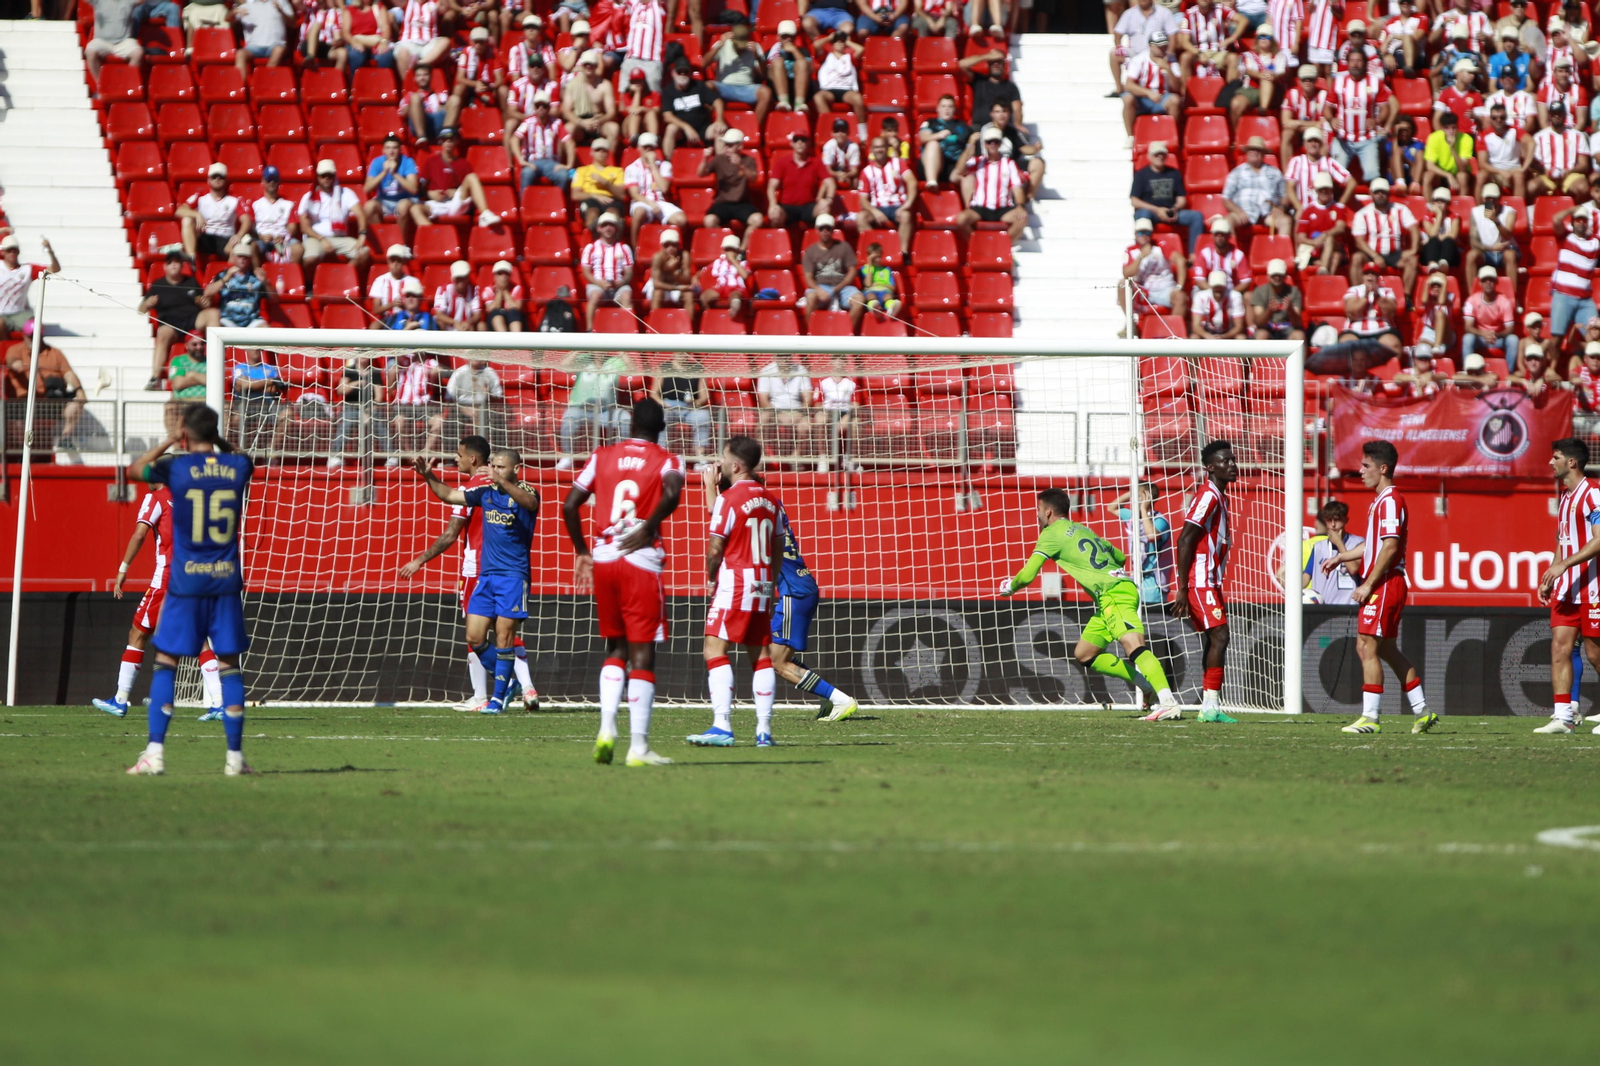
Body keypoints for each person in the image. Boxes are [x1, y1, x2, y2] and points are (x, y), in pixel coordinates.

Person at [123, 404, 256, 776]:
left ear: (185, 431)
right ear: (214, 432)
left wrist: (170, 439)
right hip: (225, 579)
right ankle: (234, 759)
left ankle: (155, 754)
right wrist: (217, 439)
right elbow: (244, 457)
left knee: (166, 661)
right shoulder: (236, 468)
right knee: (229, 666)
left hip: (185, 582)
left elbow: (133, 469)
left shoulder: (177, 468)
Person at [561, 397, 684, 766]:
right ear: (661, 430)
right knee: (643, 651)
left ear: (629, 424)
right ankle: (639, 748)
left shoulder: (602, 455)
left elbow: (569, 506)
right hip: (640, 560)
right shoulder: (666, 460)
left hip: (604, 557)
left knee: (615, 647)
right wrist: (648, 526)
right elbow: (673, 493)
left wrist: (582, 550)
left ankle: (606, 728)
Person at [1000, 488, 1184, 716]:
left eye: (1038, 510)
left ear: (1048, 512)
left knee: (1134, 646)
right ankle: (1145, 686)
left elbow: (1027, 576)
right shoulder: (1082, 529)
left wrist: (1010, 587)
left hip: (1114, 594)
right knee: (1085, 654)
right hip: (1111, 594)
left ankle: (1168, 702)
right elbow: (1120, 556)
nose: (1037, 515)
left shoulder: (1050, 534)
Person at [398, 436, 537, 711]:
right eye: (494, 465)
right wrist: (429, 476)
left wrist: (419, 560)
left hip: (501, 572)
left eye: (459, 454)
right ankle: (515, 685)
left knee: (502, 634)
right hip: (485, 574)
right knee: (477, 636)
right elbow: (448, 494)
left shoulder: (514, 489)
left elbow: (452, 533)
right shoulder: (482, 492)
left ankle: (492, 695)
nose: (455, 458)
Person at [1321, 440, 1437, 735]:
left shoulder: (1389, 500)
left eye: (1366, 466)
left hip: (1384, 583)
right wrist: (1341, 556)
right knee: (1385, 648)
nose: (1360, 471)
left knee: (1365, 644)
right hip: (1389, 583)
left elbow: (1390, 546)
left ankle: (1370, 717)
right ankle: (1422, 710)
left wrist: (1368, 584)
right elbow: (1373, 546)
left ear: (1383, 468)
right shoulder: (1383, 500)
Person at [682, 436, 784, 748]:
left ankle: (722, 725)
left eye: (724, 459)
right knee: (761, 655)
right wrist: (772, 586)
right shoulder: (772, 501)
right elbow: (778, 548)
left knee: (714, 649)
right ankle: (764, 731)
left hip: (735, 583)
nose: (720, 464)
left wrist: (712, 576)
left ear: (736, 465)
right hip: (763, 583)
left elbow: (715, 548)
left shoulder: (730, 499)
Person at [91, 484, 224, 720]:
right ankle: (219, 703)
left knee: (138, 633)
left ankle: (120, 700)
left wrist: (123, 568)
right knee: (199, 640)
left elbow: (140, 533)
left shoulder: (156, 498)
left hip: (167, 579)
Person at [1167, 439, 1240, 723]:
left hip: (1210, 580)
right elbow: (1185, 539)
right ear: (1210, 468)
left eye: (1233, 460)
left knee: (1215, 638)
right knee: (1220, 636)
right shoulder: (1208, 496)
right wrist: (1182, 587)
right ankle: (1210, 705)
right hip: (1200, 581)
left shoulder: (1221, 496)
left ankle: (1210, 705)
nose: (1232, 465)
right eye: (1225, 461)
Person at [1536, 438, 1600, 733]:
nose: (1551, 462)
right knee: (1560, 647)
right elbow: (1563, 542)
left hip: (1593, 586)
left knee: (1594, 654)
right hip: (1568, 587)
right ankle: (1563, 717)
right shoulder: (1564, 496)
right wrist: (1552, 572)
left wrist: (1565, 565)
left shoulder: (1593, 494)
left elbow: (1599, 538)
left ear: (1571, 462)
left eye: (1556, 457)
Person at [138, 251, 205, 390]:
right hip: (171, 324)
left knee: (213, 314)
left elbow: (205, 303)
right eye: (170, 262)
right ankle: (155, 378)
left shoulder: (191, 281)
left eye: (176, 262)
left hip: (193, 320)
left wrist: (204, 303)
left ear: (182, 265)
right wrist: (148, 303)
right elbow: (141, 309)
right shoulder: (158, 285)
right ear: (165, 267)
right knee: (162, 334)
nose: (173, 265)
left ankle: (220, 356)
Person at [1327, 49, 1394, 183]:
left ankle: (1373, 203)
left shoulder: (1375, 82)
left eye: (1358, 61)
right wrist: (1331, 119)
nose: (1355, 64)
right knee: (1333, 177)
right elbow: (1327, 107)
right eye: (1352, 61)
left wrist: (1377, 120)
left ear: (1365, 63)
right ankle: (1336, 203)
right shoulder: (1339, 82)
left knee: (1373, 176)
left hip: (1367, 138)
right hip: (1343, 138)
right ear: (1347, 63)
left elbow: (1385, 108)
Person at [4, 338, 86, 448]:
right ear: (24, 335)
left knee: (75, 405)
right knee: (23, 420)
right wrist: (15, 363)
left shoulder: (54, 353)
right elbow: (10, 360)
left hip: (51, 401)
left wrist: (79, 389)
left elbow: (68, 373)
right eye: (29, 336)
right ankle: (27, 448)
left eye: (35, 336)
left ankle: (65, 438)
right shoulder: (16, 350)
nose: (32, 339)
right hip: (25, 402)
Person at [297, 159, 371, 278]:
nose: (326, 178)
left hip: (339, 237)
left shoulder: (345, 193)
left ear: (334, 176)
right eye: (323, 175)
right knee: (310, 259)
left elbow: (360, 214)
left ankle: (342, 279)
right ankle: (311, 286)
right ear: (318, 177)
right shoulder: (308, 197)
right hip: (315, 237)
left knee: (364, 253)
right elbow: (304, 227)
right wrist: (321, 239)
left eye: (329, 175)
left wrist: (362, 234)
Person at [957, 126, 1028, 243]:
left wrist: (1020, 206)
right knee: (961, 220)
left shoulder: (1009, 163)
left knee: (1022, 219)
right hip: (980, 208)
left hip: (1003, 208)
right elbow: (960, 169)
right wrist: (969, 146)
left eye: (996, 141)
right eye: (989, 142)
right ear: (985, 144)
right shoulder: (978, 161)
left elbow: (1017, 188)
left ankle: (1002, 248)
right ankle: (977, 246)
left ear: (1000, 143)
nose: (992, 144)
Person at [1130, 140, 1203, 252]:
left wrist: (1174, 209)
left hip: (1171, 211)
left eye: (1162, 154)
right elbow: (1134, 200)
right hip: (1152, 213)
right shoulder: (1141, 175)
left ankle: (1195, 255)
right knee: (1142, 215)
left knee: (1196, 217)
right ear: (1149, 156)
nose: (1159, 156)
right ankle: (1142, 252)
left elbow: (1181, 199)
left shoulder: (1174, 173)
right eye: (1156, 154)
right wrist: (1157, 210)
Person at [1350, 177, 1418, 295]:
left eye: (1383, 192)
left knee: (1413, 260)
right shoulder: (1362, 214)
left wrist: (1414, 249)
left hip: (1395, 254)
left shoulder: (1401, 209)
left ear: (1388, 193)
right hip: (1371, 253)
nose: (1380, 195)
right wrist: (1375, 256)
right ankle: (1357, 294)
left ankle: (1406, 297)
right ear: (1371, 194)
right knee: (1356, 258)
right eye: (1377, 192)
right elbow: (1359, 241)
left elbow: (1414, 228)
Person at [1106, 486, 1173, 605]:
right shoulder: (1132, 517)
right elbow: (1111, 507)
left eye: (1137, 497)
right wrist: (1132, 491)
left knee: (1152, 619)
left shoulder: (1159, 520)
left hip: (1154, 582)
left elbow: (1151, 536)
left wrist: (1143, 507)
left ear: (1147, 498)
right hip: (1137, 578)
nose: (1133, 500)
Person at [556, 351, 625, 469]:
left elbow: (633, 369)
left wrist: (621, 351)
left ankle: (621, 456)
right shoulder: (583, 359)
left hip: (606, 411)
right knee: (568, 417)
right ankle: (568, 456)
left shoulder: (614, 361)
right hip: (579, 409)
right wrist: (578, 349)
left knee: (624, 419)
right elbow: (563, 365)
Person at [328, 354, 396, 470]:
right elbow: (340, 390)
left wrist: (368, 409)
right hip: (351, 407)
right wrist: (358, 383)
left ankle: (391, 455)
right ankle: (335, 456)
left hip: (370, 408)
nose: (364, 356)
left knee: (378, 422)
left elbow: (379, 397)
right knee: (347, 423)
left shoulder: (374, 372)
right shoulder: (350, 371)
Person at [709, 16, 775, 130]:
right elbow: (703, 63)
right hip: (724, 87)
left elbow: (764, 75)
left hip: (746, 88)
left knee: (766, 92)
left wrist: (758, 58)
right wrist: (719, 45)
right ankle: (710, 125)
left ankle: (753, 130)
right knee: (707, 86)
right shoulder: (723, 44)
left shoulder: (754, 47)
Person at [1222, 135, 1291, 237]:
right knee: (1227, 222)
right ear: (1246, 152)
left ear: (1263, 154)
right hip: (1244, 213)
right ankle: (1234, 252)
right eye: (1251, 149)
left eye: (1258, 150)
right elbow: (1226, 198)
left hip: (1268, 214)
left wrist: (1281, 208)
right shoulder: (1236, 173)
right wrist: (1238, 211)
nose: (1254, 152)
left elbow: (1284, 195)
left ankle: (1282, 252)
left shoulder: (1275, 172)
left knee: (1286, 221)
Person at [178, 163, 246, 265]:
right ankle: (191, 261)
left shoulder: (234, 199)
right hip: (206, 237)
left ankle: (229, 278)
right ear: (208, 180)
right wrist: (196, 214)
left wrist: (239, 235)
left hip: (226, 238)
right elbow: (179, 210)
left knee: (239, 252)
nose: (217, 179)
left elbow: (246, 220)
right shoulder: (201, 196)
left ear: (225, 180)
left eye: (221, 177)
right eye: (214, 177)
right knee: (187, 219)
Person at [623, 132, 685, 244]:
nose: (647, 150)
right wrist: (650, 204)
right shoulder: (631, 168)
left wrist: (652, 165)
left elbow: (664, 188)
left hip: (660, 201)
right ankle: (635, 249)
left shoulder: (665, 165)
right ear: (639, 148)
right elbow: (634, 194)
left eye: (650, 147)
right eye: (644, 147)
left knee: (681, 220)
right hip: (642, 201)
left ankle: (676, 249)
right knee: (639, 213)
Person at [858, 136, 918, 251]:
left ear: (887, 148)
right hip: (877, 207)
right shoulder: (866, 171)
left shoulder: (898, 163)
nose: (879, 150)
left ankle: (902, 253)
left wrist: (907, 204)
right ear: (871, 150)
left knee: (906, 215)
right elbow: (863, 199)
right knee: (861, 217)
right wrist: (874, 211)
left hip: (897, 205)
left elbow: (912, 182)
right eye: (876, 147)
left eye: (882, 147)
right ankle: (876, 251)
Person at [1122, 216, 1186, 323]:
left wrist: (1179, 286)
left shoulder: (1160, 246)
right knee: (1122, 286)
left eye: (1147, 233)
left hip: (1165, 289)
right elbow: (1126, 275)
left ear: (1151, 234)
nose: (1143, 236)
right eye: (1140, 233)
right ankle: (1131, 324)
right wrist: (1140, 257)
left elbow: (1181, 261)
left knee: (1181, 297)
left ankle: (1173, 333)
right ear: (1135, 234)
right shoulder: (1131, 251)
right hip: (1143, 291)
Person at [1119, 31, 1181, 140]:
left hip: (1163, 97)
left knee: (1175, 100)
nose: (1163, 49)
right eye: (1159, 47)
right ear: (1151, 46)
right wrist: (1148, 93)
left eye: (1164, 46)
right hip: (1142, 99)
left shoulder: (1171, 60)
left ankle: (1171, 135)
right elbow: (1129, 85)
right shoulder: (1139, 60)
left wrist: (1168, 69)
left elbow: (1178, 88)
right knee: (1127, 98)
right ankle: (1130, 137)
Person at [651, 352, 713, 458]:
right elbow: (653, 393)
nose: (681, 353)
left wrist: (695, 403)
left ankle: (700, 457)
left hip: (689, 408)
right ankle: (660, 455)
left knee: (703, 416)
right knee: (662, 416)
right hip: (669, 406)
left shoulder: (697, 368)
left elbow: (705, 395)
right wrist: (663, 403)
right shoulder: (664, 367)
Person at [767, 132, 834, 230]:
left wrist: (828, 199)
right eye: (796, 140)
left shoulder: (816, 162)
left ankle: (818, 244)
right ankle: (777, 243)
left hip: (809, 206)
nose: (800, 143)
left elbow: (830, 183)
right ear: (791, 143)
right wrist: (773, 204)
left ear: (808, 144)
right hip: (787, 207)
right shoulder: (782, 162)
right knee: (774, 214)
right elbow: (771, 186)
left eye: (803, 140)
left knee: (825, 210)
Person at [1302, 500, 1364, 605]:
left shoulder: (1358, 543)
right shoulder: (1318, 547)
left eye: (1337, 520)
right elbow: (1306, 578)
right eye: (1329, 520)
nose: (1333, 525)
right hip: (1323, 608)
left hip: (1349, 607)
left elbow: (1353, 569)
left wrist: (1339, 543)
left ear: (1346, 520)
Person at [579, 212, 634, 330]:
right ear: (599, 228)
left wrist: (621, 282)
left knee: (626, 297)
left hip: (618, 284)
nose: (608, 228)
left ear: (616, 228)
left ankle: (628, 331)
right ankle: (590, 330)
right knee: (595, 296)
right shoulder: (591, 248)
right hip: (597, 284)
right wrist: (600, 283)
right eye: (605, 225)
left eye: (611, 225)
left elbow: (629, 272)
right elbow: (586, 271)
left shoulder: (624, 248)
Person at [660, 59, 725, 159]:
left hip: (703, 128)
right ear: (673, 73)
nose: (682, 74)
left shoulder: (699, 86)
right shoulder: (668, 91)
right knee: (671, 128)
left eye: (685, 72)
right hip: (681, 131)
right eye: (679, 71)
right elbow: (667, 116)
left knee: (719, 130)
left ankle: (721, 164)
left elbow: (717, 101)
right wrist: (686, 127)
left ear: (690, 73)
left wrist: (719, 119)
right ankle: (666, 164)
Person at [230, 345, 287, 457]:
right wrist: (269, 381)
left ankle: (271, 449)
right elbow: (245, 385)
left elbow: (273, 389)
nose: (255, 350)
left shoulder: (270, 369)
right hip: (245, 405)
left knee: (287, 415)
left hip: (267, 406)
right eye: (252, 347)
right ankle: (239, 449)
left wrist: (253, 383)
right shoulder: (239, 368)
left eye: (257, 348)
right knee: (237, 418)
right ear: (246, 349)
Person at [1338, 262, 1404, 359]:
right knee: (1345, 346)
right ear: (1362, 276)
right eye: (1367, 273)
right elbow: (1351, 312)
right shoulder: (1353, 290)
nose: (1370, 276)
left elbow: (1390, 313)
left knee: (1393, 346)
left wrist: (1378, 297)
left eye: (1374, 274)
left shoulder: (1387, 291)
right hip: (1355, 330)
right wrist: (1365, 297)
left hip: (1383, 330)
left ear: (1378, 278)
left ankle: (1388, 373)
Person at [800, 214, 858, 318]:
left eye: (828, 228)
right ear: (817, 230)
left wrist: (838, 287)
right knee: (811, 297)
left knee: (859, 300)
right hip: (820, 286)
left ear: (833, 230)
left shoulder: (844, 247)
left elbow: (852, 270)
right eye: (822, 228)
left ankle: (848, 332)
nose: (825, 231)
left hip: (842, 287)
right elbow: (808, 277)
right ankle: (811, 332)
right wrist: (818, 290)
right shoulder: (810, 251)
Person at [513, 92, 575, 189]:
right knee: (527, 173)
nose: (541, 108)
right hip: (533, 162)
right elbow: (514, 139)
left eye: (544, 106)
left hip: (551, 163)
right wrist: (521, 160)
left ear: (549, 108)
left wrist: (569, 165)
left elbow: (569, 142)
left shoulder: (557, 123)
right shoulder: (528, 122)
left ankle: (558, 202)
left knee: (563, 175)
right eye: (538, 105)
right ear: (534, 107)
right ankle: (524, 203)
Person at [562, 48, 622, 147]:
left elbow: (611, 112)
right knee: (567, 129)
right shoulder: (572, 85)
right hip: (580, 123)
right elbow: (566, 111)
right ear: (582, 66)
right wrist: (581, 122)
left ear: (596, 66)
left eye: (591, 64)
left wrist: (598, 121)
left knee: (614, 129)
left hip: (599, 122)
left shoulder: (605, 85)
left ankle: (609, 161)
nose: (588, 67)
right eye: (586, 64)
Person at [811, 31, 866, 140]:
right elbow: (816, 45)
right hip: (829, 89)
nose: (839, 42)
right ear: (832, 43)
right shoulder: (826, 55)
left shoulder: (850, 57)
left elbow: (861, 49)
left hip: (846, 89)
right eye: (837, 41)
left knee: (858, 98)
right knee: (818, 97)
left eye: (842, 41)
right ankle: (830, 128)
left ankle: (863, 133)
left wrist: (848, 42)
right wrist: (830, 37)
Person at [1462, 265, 1519, 370]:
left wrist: (1497, 334)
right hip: (1480, 337)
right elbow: (1468, 327)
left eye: (1491, 280)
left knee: (1513, 340)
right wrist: (1483, 334)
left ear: (1496, 282)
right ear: (1480, 283)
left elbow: (1510, 328)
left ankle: (1508, 373)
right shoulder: (1472, 300)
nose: (1488, 282)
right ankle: (1467, 372)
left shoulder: (1504, 301)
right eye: (1484, 280)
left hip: (1498, 338)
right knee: (1467, 338)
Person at [757, 353, 815, 456]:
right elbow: (763, 401)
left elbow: (808, 399)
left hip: (797, 411)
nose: (783, 358)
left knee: (806, 425)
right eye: (780, 355)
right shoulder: (766, 371)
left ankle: (796, 457)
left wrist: (800, 413)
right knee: (763, 419)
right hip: (774, 411)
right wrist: (779, 414)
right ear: (774, 357)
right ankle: (760, 456)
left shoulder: (801, 370)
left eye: (786, 355)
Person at [1295, 171, 1351, 275]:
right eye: (1321, 189)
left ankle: (1324, 268)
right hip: (1316, 248)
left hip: (1335, 245)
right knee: (1336, 257)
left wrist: (1324, 235)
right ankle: (1326, 279)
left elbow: (1340, 227)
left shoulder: (1338, 208)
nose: (1324, 192)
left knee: (1329, 239)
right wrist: (1315, 242)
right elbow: (1300, 237)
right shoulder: (1308, 210)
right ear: (1316, 190)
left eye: (1327, 189)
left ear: (1331, 189)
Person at [1529, 101, 1590, 200]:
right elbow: (1533, 164)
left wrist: (1569, 171)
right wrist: (1546, 171)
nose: (1557, 116)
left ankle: (1575, 212)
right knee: (1532, 187)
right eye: (1554, 113)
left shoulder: (1577, 135)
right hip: (1546, 174)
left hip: (1570, 174)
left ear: (1565, 114)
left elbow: (1584, 164)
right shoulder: (1539, 136)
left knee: (1583, 188)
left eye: (1559, 113)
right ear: (1549, 115)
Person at [364, 135, 422, 236]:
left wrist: (394, 173)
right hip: (384, 200)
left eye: (394, 148)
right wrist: (384, 172)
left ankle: (401, 245)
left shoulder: (408, 162)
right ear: (383, 150)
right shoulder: (377, 162)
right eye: (388, 148)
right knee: (369, 206)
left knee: (403, 207)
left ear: (400, 150)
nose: (391, 151)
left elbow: (413, 189)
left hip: (406, 199)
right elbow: (367, 188)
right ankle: (383, 241)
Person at [207, 244, 273, 329]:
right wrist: (226, 278)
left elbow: (274, 299)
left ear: (250, 258)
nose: (242, 259)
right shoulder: (223, 275)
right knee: (215, 326)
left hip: (251, 320)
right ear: (233, 257)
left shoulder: (257, 277)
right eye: (239, 256)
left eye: (245, 256)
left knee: (266, 329)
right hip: (227, 319)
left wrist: (265, 282)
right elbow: (207, 293)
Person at [1466, 182, 1520, 284]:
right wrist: (1491, 248)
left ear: (1499, 198)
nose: (1491, 201)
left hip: (1505, 250)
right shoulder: (1476, 212)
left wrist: (1495, 220)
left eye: (1494, 198)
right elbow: (1473, 241)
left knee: (1510, 255)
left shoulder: (1509, 211)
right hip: (1487, 251)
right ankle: (1472, 296)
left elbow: (1508, 235)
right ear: (1483, 199)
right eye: (1488, 199)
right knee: (1471, 256)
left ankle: (1513, 295)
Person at [918, 94, 973, 195]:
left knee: (967, 176)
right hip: (932, 164)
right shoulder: (930, 123)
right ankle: (932, 181)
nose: (946, 109)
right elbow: (923, 137)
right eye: (943, 106)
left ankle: (971, 208)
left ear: (954, 109)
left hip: (953, 165)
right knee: (933, 144)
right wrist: (938, 135)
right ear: (937, 109)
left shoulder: (962, 126)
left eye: (950, 106)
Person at [246, 165, 298, 267]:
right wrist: (260, 236)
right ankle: (258, 277)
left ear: (279, 182)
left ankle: (290, 275)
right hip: (262, 237)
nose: (272, 182)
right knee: (252, 247)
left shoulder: (288, 203)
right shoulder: (254, 203)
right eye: (269, 179)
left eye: (275, 179)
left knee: (298, 249)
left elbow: (293, 226)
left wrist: (283, 236)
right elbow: (250, 226)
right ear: (263, 181)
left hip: (282, 237)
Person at [569, 138, 627, 230]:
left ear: (608, 153)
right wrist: (594, 195)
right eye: (597, 150)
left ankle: (613, 243)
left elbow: (621, 195)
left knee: (612, 215)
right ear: (591, 152)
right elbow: (575, 195)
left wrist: (605, 182)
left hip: (611, 200)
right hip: (590, 199)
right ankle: (593, 242)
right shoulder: (581, 171)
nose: (601, 152)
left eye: (604, 150)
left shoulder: (618, 171)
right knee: (592, 213)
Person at [1475, 103, 1527, 199]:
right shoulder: (1484, 135)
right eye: (1495, 118)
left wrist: (1524, 167)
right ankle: (1479, 209)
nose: (1498, 120)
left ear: (1506, 117)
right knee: (1481, 176)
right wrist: (1501, 172)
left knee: (1519, 176)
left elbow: (1531, 143)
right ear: (1490, 118)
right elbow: (1482, 163)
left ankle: (1517, 209)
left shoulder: (1514, 130)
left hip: (1514, 169)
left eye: (1501, 117)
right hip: (1494, 171)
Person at [392, 0, 452, 78]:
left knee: (446, 41)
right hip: (408, 43)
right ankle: (408, 86)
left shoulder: (434, 3)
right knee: (402, 52)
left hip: (429, 44)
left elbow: (446, 8)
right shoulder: (407, 2)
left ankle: (420, 64)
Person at [233, 0, 294, 76]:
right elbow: (228, 19)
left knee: (278, 50)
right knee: (240, 53)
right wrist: (234, 12)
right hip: (254, 46)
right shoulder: (248, 5)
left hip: (275, 44)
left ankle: (264, 81)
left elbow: (293, 23)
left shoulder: (281, 2)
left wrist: (281, 12)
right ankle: (241, 86)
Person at [86, 0, 144, 79]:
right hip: (102, 40)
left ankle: (126, 84)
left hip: (124, 41)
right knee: (90, 52)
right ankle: (101, 86)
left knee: (138, 53)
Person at [1250, 259, 1303, 340]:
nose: (1277, 277)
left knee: (1299, 335)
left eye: (1280, 275)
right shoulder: (1260, 291)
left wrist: (1290, 310)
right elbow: (1258, 323)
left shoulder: (1294, 291)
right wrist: (1269, 311)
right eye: (1274, 275)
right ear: (1268, 276)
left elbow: (1297, 323)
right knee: (1261, 335)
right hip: (1267, 328)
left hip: (1287, 328)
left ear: (1285, 276)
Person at [401, 60, 451, 146]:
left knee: (454, 100)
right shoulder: (409, 96)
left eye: (425, 75)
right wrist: (414, 107)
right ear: (415, 78)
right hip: (419, 125)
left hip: (439, 123)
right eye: (419, 75)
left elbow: (451, 110)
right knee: (416, 97)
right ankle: (421, 136)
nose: (422, 78)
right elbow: (403, 113)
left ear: (431, 77)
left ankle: (446, 136)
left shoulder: (440, 96)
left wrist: (444, 107)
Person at [852, 241, 901, 328]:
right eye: (874, 258)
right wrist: (870, 265)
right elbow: (867, 284)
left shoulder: (886, 269)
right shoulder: (864, 269)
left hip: (884, 291)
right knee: (870, 296)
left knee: (888, 295)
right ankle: (875, 308)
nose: (878, 260)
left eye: (879, 257)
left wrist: (879, 284)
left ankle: (892, 308)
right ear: (869, 257)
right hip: (870, 291)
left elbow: (893, 288)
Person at [766, 19, 812, 113]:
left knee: (802, 62)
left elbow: (810, 70)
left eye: (791, 36)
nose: (788, 39)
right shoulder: (770, 53)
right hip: (776, 89)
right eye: (784, 36)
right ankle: (784, 101)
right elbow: (763, 74)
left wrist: (795, 51)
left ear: (795, 37)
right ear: (778, 37)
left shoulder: (803, 51)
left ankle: (799, 104)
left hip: (800, 88)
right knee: (777, 62)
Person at [701, 233, 751, 319]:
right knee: (705, 296)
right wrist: (695, 277)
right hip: (720, 287)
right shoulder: (718, 262)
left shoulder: (743, 263)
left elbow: (745, 275)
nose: (729, 252)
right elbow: (704, 270)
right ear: (723, 250)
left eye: (732, 250)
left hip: (736, 287)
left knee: (735, 296)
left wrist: (733, 260)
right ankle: (709, 320)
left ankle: (734, 312)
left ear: (737, 251)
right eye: (727, 249)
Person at [646, 227, 694, 309]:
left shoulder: (684, 255)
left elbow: (687, 280)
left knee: (689, 295)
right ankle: (654, 321)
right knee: (658, 293)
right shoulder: (658, 257)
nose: (670, 248)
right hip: (662, 286)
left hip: (677, 285)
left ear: (678, 245)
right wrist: (677, 288)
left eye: (673, 245)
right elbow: (656, 284)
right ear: (662, 246)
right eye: (667, 245)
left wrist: (675, 270)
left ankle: (689, 322)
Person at [1418, 185, 1462, 274]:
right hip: (1430, 252)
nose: (1439, 204)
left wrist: (1437, 238)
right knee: (1433, 241)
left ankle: (1444, 263)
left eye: (1442, 201)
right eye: (1437, 201)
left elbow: (1453, 235)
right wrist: (1439, 215)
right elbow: (1432, 233)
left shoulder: (1454, 217)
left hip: (1450, 252)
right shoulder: (1427, 218)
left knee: (1448, 241)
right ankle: (1432, 264)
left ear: (1448, 203)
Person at [1191, 270, 1246, 340]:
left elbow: (1238, 326)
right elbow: (1196, 326)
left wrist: (1224, 336)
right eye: (1216, 286)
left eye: (1221, 286)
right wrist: (1208, 336)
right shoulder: (1200, 296)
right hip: (1208, 331)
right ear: (1211, 286)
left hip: (1228, 332)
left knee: (1241, 338)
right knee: (1194, 337)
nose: (1218, 289)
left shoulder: (1235, 297)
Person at [434, 259, 484, 331]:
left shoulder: (474, 290)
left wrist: (468, 322)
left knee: (480, 325)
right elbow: (439, 314)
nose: (461, 281)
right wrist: (454, 322)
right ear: (453, 278)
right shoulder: (443, 290)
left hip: (466, 326)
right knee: (439, 322)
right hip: (448, 325)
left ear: (467, 278)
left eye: (463, 278)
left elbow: (477, 314)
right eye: (458, 278)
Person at [483, 260, 525, 331]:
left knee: (513, 312)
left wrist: (505, 291)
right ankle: (503, 339)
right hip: (494, 321)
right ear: (495, 276)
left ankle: (516, 339)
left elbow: (517, 307)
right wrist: (500, 291)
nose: (503, 276)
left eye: (506, 274)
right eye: (500, 274)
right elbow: (491, 308)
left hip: (513, 317)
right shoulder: (488, 290)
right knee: (495, 313)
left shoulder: (517, 288)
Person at [823, 118, 862, 191]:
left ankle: (853, 199)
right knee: (827, 180)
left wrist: (845, 175)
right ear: (832, 133)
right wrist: (838, 174)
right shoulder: (828, 146)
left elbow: (854, 170)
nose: (840, 134)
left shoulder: (853, 147)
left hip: (848, 173)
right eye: (837, 131)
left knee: (856, 181)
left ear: (848, 133)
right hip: (833, 173)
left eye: (843, 131)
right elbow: (827, 170)